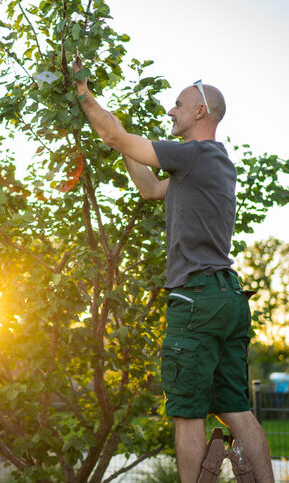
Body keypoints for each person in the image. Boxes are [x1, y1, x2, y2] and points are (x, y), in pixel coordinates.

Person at [72, 57, 274, 482]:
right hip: (226, 297)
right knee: (236, 408)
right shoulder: (213, 163)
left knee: (187, 412)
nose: (171, 111)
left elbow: (111, 130)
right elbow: (149, 189)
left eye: (178, 104)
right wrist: (122, 145)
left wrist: (83, 92)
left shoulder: (194, 154)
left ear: (200, 111)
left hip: (196, 298)